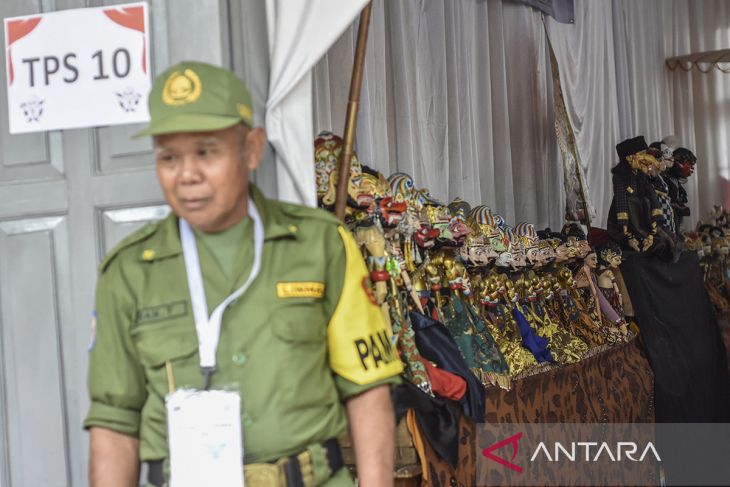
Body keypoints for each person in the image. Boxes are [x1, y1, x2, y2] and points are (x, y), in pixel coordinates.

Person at [84, 61, 403, 487]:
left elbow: (367, 388)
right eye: (169, 157)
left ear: (251, 149)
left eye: (206, 152)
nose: (187, 175)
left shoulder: (319, 245)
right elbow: (114, 422)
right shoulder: (127, 272)